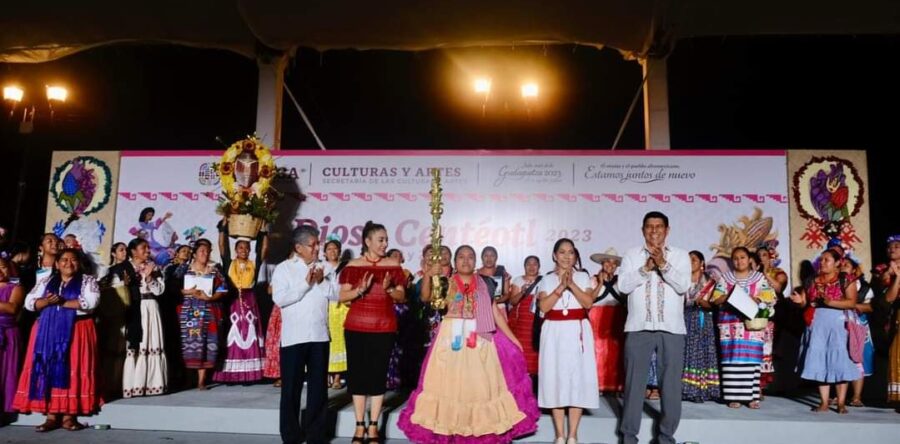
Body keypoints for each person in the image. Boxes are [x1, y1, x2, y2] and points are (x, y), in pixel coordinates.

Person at [398, 245, 539, 443]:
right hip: (450, 341)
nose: (466, 260)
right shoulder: (445, 283)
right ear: (455, 262)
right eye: (462, 257)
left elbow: (495, 313)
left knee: (480, 387)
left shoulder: (486, 283)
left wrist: (513, 339)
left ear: (475, 262)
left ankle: (478, 430)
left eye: (470, 257)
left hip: (480, 340)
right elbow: (426, 298)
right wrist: (429, 275)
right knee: (450, 386)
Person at [617, 212, 691, 444]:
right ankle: (629, 437)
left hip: (672, 329)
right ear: (643, 230)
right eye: (649, 227)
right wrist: (646, 268)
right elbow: (623, 286)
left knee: (670, 386)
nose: (654, 231)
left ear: (667, 230)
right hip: (639, 327)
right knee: (633, 385)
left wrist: (663, 265)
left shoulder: (680, 256)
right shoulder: (631, 255)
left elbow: (683, 286)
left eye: (659, 226)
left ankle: (666, 437)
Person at [13, 249, 101, 431]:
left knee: (71, 367)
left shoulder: (88, 281)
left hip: (76, 330)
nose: (69, 263)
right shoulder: (46, 281)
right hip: (47, 329)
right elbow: (30, 302)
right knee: (48, 367)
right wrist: (46, 302)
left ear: (79, 263)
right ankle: (51, 416)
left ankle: (69, 416)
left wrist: (62, 302)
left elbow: (91, 302)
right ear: (56, 264)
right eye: (64, 259)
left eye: (73, 260)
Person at [338, 221, 407, 443]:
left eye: (386, 239)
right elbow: (341, 296)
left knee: (378, 377)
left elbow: (402, 297)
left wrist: (388, 289)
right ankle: (359, 426)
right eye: (381, 239)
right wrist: (360, 290)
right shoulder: (353, 265)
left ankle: (374, 426)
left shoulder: (393, 265)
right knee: (357, 378)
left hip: (384, 328)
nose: (385, 243)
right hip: (356, 327)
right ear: (367, 241)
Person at [271, 226, 336, 444]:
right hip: (293, 338)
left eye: (318, 244)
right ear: (298, 247)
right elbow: (280, 299)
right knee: (291, 389)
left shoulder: (325, 267)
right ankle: (291, 436)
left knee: (318, 389)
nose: (317, 248)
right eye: (313, 245)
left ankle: (316, 435)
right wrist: (306, 283)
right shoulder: (284, 269)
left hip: (319, 336)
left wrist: (321, 280)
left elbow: (335, 294)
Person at [538, 238, 598, 444]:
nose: (566, 256)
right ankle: (559, 435)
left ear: (575, 256)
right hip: (553, 333)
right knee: (555, 379)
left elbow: (588, 302)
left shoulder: (583, 277)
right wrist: (559, 288)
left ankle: (572, 435)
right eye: (562, 252)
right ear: (555, 255)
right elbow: (544, 308)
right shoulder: (545, 280)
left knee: (576, 381)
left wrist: (570, 283)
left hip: (577, 331)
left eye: (570, 252)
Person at [792, 249, 860, 413]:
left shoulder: (846, 279)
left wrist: (831, 302)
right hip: (817, 323)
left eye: (827, 260)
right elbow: (807, 304)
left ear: (838, 263)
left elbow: (851, 303)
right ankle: (824, 402)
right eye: (821, 260)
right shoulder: (812, 281)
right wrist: (800, 302)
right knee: (820, 360)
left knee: (839, 360)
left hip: (837, 322)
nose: (822, 263)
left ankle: (841, 402)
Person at [709, 247, 774, 408]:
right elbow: (715, 298)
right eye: (736, 258)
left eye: (742, 257)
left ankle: (752, 397)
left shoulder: (758, 278)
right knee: (732, 359)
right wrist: (728, 297)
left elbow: (769, 295)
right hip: (730, 326)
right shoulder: (726, 278)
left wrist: (755, 299)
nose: (739, 261)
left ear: (749, 259)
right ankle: (733, 397)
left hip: (751, 326)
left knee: (751, 359)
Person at [214, 227, 267, 384]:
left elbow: (263, 249)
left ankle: (251, 375)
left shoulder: (253, 264)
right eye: (240, 247)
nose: (244, 250)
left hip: (250, 301)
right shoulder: (229, 263)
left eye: (247, 248)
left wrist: (263, 231)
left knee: (251, 334)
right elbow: (222, 246)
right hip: (232, 301)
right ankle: (230, 375)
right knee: (231, 335)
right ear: (236, 249)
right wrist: (223, 228)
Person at [174, 239, 228, 389]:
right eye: (201, 251)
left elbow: (224, 289)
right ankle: (187, 378)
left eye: (207, 251)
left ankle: (201, 380)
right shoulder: (183, 269)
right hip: (188, 311)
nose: (205, 254)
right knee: (188, 343)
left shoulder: (215, 270)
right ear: (195, 254)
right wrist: (189, 291)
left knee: (206, 343)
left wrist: (210, 297)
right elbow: (172, 288)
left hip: (208, 310)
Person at [120, 238, 168, 398]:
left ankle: (152, 384)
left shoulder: (155, 267)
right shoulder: (124, 268)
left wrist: (149, 277)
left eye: (148, 248)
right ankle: (134, 385)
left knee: (151, 341)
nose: (147, 251)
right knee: (136, 343)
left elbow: (159, 291)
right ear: (133, 251)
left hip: (151, 307)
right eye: (143, 248)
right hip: (134, 307)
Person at [681, 251, 719, 402]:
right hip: (684, 319)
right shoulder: (682, 281)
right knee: (685, 352)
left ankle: (702, 389)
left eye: (694, 260)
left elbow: (715, 304)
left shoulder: (710, 281)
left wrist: (706, 304)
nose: (691, 262)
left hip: (703, 320)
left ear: (702, 263)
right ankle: (685, 389)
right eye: (688, 260)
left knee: (702, 352)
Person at [588, 247, 627, 394]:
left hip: (616, 318)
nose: (610, 265)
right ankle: (597, 385)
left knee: (616, 351)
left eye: (614, 263)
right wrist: (600, 282)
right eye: (607, 262)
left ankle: (615, 386)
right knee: (596, 350)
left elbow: (625, 301)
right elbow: (589, 300)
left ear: (617, 266)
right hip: (597, 318)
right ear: (602, 264)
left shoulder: (620, 282)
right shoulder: (592, 280)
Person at [875, 234, 900, 408]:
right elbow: (887, 298)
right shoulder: (882, 269)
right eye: (890, 246)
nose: (892, 249)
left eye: (897, 246)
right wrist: (893, 274)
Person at [508, 255, 543, 379]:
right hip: (521, 324)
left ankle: (535, 380)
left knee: (536, 349)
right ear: (524, 266)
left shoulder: (544, 281)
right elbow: (512, 302)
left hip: (538, 323)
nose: (532, 267)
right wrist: (522, 292)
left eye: (535, 264)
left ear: (539, 267)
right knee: (521, 350)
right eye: (529, 264)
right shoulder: (518, 280)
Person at [0, 257, 24, 415]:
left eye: (2, 267)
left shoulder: (16, 287)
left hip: (7, 333)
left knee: (6, 372)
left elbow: (12, 308)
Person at [325, 238, 349, 389]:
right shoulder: (320, 267)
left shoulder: (345, 268)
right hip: (324, 307)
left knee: (339, 341)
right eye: (329, 249)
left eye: (335, 249)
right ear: (324, 253)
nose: (332, 252)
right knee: (326, 341)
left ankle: (337, 378)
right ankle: (326, 375)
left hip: (341, 307)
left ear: (339, 251)